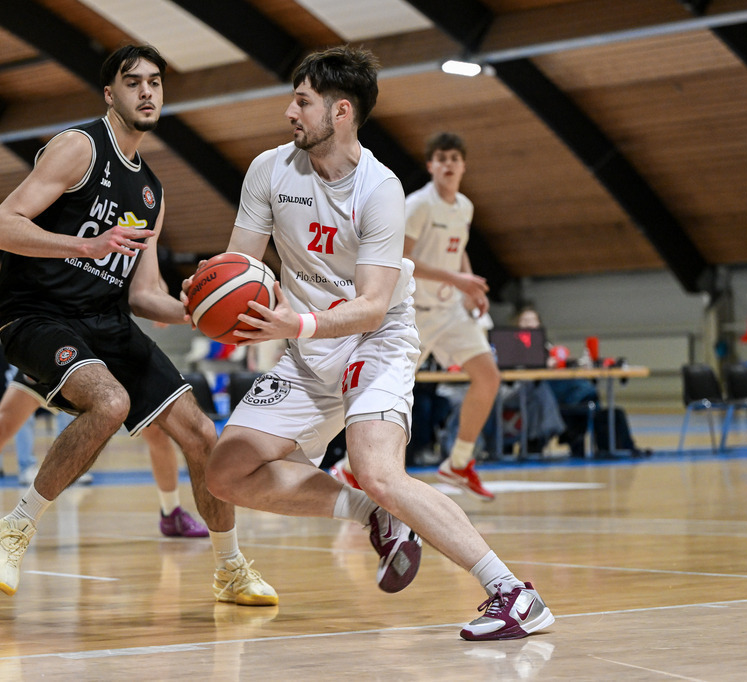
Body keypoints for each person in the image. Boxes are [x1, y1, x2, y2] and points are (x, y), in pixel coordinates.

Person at [195, 46, 552, 640]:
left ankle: (513, 593)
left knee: (376, 467)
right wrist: (209, 292)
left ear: (340, 111)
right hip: (308, 346)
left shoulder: (380, 189)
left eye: (302, 101)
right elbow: (241, 266)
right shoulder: (267, 169)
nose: (289, 111)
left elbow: (372, 305)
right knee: (225, 473)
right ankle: (374, 516)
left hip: (374, 339)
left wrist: (297, 325)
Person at [0, 44, 276, 606]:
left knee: (203, 435)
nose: (147, 92)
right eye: (133, 82)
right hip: (36, 313)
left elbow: (142, 294)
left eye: (156, 83)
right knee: (109, 404)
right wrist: (84, 244)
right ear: (110, 94)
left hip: (107, 321)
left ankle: (230, 569)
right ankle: (12, 529)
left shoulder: (151, 192)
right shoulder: (78, 148)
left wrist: (197, 308)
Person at [329, 132, 497, 501]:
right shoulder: (419, 204)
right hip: (415, 312)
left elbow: (459, 252)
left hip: (451, 311)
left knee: (488, 377)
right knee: (387, 392)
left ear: (463, 165)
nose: (449, 164)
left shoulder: (464, 207)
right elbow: (401, 259)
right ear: (431, 166)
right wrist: (457, 278)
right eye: (442, 158)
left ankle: (458, 463)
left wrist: (468, 288)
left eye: (455, 157)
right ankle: (348, 467)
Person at [0, 376, 207, 545]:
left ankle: (171, 515)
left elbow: (149, 289)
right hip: (57, 345)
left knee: (155, 432)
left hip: (104, 349)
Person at [516, 307, 647, 457]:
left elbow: (560, 363)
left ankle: (587, 432)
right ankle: (574, 428)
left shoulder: (547, 346)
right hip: (533, 389)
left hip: (555, 387)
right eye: (524, 320)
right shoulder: (512, 346)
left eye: (532, 320)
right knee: (582, 391)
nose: (528, 324)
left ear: (539, 324)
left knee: (583, 391)